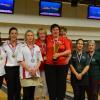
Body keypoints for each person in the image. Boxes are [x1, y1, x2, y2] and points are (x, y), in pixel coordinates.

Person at [45, 24, 71, 100]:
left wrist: (59, 54)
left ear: (59, 31)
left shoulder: (64, 39)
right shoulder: (48, 38)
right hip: (49, 66)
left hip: (62, 66)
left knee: (61, 85)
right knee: (51, 85)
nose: (55, 31)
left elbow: (68, 51)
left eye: (57, 29)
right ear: (51, 31)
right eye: (53, 29)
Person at [17, 30, 43, 100]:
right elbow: (20, 60)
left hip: (35, 73)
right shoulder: (21, 47)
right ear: (26, 37)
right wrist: (30, 70)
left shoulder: (37, 47)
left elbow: (39, 60)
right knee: (26, 94)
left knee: (32, 94)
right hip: (25, 73)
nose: (30, 37)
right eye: (28, 35)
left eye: (31, 35)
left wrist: (35, 69)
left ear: (33, 37)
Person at [3, 27, 21, 100]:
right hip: (8, 69)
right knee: (10, 88)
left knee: (18, 88)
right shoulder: (4, 45)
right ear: (9, 35)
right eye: (12, 33)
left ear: (17, 35)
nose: (14, 35)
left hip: (19, 68)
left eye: (15, 33)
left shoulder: (21, 45)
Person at [35, 28, 48, 100]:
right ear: (38, 35)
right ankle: (36, 97)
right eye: (40, 33)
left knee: (45, 83)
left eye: (43, 33)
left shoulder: (48, 42)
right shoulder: (35, 42)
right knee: (37, 83)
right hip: (37, 66)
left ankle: (43, 97)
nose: (42, 35)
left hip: (46, 66)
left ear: (45, 34)